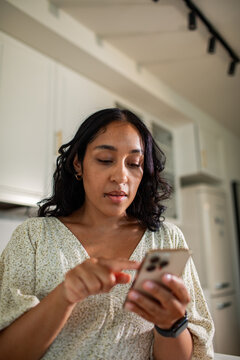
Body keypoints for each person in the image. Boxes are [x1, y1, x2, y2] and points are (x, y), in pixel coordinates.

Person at [0, 108, 214, 359]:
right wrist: (65, 295)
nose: (121, 176)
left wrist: (171, 325)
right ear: (78, 164)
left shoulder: (166, 240)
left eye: (134, 164)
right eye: (105, 160)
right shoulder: (33, 237)